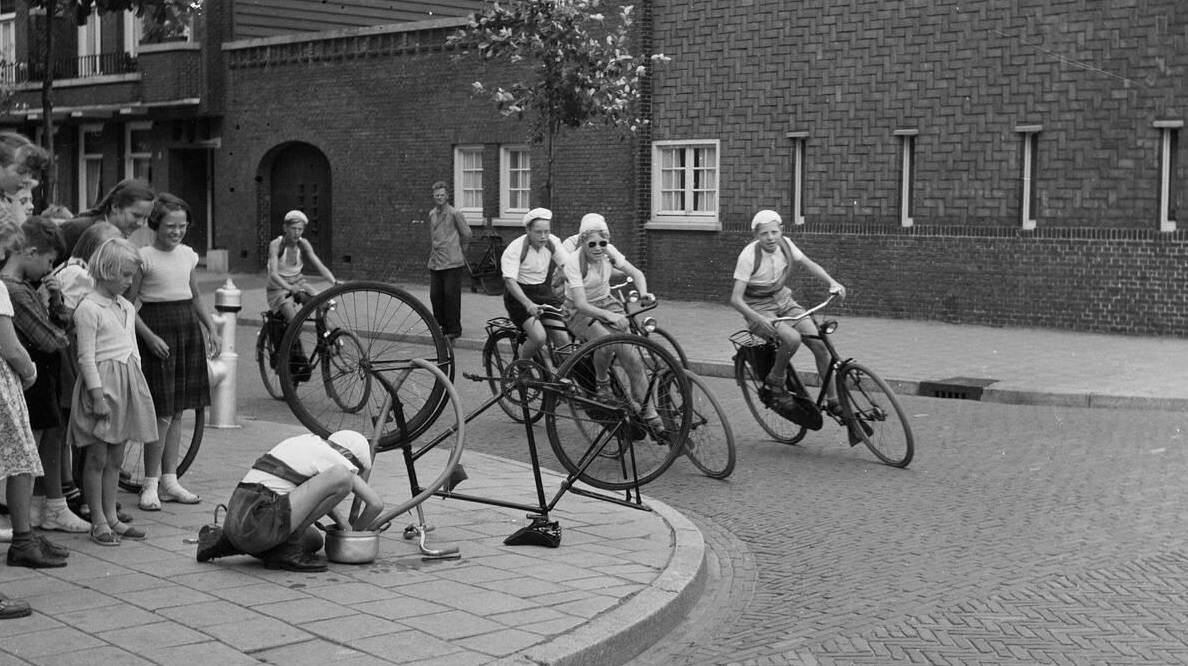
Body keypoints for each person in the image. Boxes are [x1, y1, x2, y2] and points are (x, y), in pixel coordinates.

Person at [128, 194, 220, 511]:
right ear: (156, 224)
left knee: (179, 408)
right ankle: (150, 483)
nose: (177, 231)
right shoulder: (144, 257)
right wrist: (148, 336)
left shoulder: (188, 256)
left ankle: (170, 480)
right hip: (158, 330)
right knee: (161, 411)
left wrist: (211, 327)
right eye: (170, 225)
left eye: (182, 226)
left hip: (186, 329)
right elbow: (127, 304)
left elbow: (194, 295)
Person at [1, 217, 89, 534]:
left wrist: (54, 298)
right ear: (31, 252)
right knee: (31, 451)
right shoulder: (14, 291)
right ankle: (30, 521)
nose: (50, 270)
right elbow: (52, 338)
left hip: (41, 375)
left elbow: (58, 325)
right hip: (32, 376)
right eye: (49, 261)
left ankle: (39, 511)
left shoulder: (27, 287)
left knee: (45, 443)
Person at [68, 238, 158, 546]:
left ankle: (113, 517)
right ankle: (98, 520)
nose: (130, 282)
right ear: (106, 272)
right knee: (96, 456)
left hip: (126, 384)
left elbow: (131, 347)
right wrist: (96, 395)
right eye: (125, 275)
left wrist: (138, 386)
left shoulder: (127, 307)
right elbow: (85, 357)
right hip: (103, 388)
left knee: (116, 458)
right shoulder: (89, 309)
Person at [196, 429, 384, 572]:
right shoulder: (333, 458)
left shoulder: (305, 442)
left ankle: (225, 544)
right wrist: (356, 535)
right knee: (342, 477)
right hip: (259, 517)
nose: (354, 473)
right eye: (355, 467)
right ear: (348, 456)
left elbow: (316, 493)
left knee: (314, 540)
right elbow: (375, 504)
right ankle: (285, 551)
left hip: (238, 518)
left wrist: (343, 524)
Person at [0, 219, 69, 569]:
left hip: (19, 383)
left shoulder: (16, 286)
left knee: (23, 461)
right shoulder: (9, 288)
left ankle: (25, 536)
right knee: (23, 461)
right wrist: (29, 371)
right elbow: (32, 343)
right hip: (16, 383)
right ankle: (23, 539)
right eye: (47, 261)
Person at [729, 209, 846, 409]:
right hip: (759, 309)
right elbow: (735, 299)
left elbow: (810, 264)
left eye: (774, 232)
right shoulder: (748, 256)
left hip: (784, 302)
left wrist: (832, 282)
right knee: (792, 339)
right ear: (756, 236)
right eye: (764, 233)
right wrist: (757, 318)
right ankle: (776, 379)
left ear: (781, 231)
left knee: (820, 345)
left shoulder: (786, 245)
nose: (770, 238)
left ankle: (833, 401)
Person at [562, 213, 667, 434]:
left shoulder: (609, 252)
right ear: (582, 242)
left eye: (603, 242)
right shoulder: (573, 262)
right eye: (592, 244)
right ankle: (602, 384)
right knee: (606, 341)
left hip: (606, 302)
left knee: (633, 360)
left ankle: (650, 414)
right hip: (577, 310)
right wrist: (608, 316)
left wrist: (644, 292)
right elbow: (580, 303)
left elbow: (636, 272)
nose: (599, 248)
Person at [500, 208, 571, 370]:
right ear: (528, 231)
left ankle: (563, 376)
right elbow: (510, 281)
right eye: (538, 232)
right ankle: (521, 366)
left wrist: (574, 293)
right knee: (539, 337)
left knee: (562, 336)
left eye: (547, 231)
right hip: (519, 296)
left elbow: (568, 268)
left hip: (543, 292)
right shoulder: (516, 248)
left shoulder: (552, 242)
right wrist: (528, 304)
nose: (544, 236)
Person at [266, 210, 340, 324]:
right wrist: (289, 288)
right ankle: (292, 339)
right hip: (278, 289)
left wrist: (334, 282)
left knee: (320, 304)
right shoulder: (276, 245)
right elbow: (274, 274)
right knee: (295, 323)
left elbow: (319, 266)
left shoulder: (303, 244)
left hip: (298, 285)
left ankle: (324, 337)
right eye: (293, 228)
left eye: (300, 229)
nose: (297, 233)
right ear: (285, 228)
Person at [59, 179, 156, 258]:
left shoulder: (130, 240)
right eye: (136, 215)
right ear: (115, 207)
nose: (141, 223)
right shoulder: (78, 228)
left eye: (145, 218)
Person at [426, 181, 472, 341]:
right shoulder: (432, 214)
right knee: (435, 295)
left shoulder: (454, 213)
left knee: (450, 296)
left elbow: (467, 233)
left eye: (442, 195)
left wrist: (460, 250)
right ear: (434, 197)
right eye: (437, 195)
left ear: (447, 196)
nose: (439, 197)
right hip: (436, 261)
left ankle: (454, 329)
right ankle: (440, 326)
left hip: (452, 262)